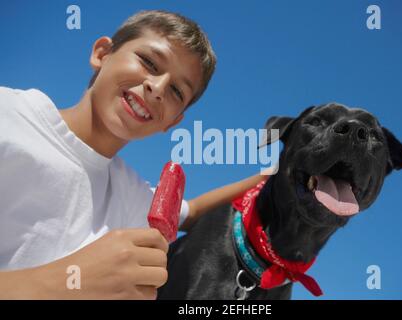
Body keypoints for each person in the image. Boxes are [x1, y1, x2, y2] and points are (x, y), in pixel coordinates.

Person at [0, 10, 268, 299]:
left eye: (177, 91)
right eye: (149, 62)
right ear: (102, 54)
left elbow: (195, 210)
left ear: (173, 122)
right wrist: (71, 281)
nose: (158, 88)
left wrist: (270, 175)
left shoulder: (136, 198)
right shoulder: (9, 117)